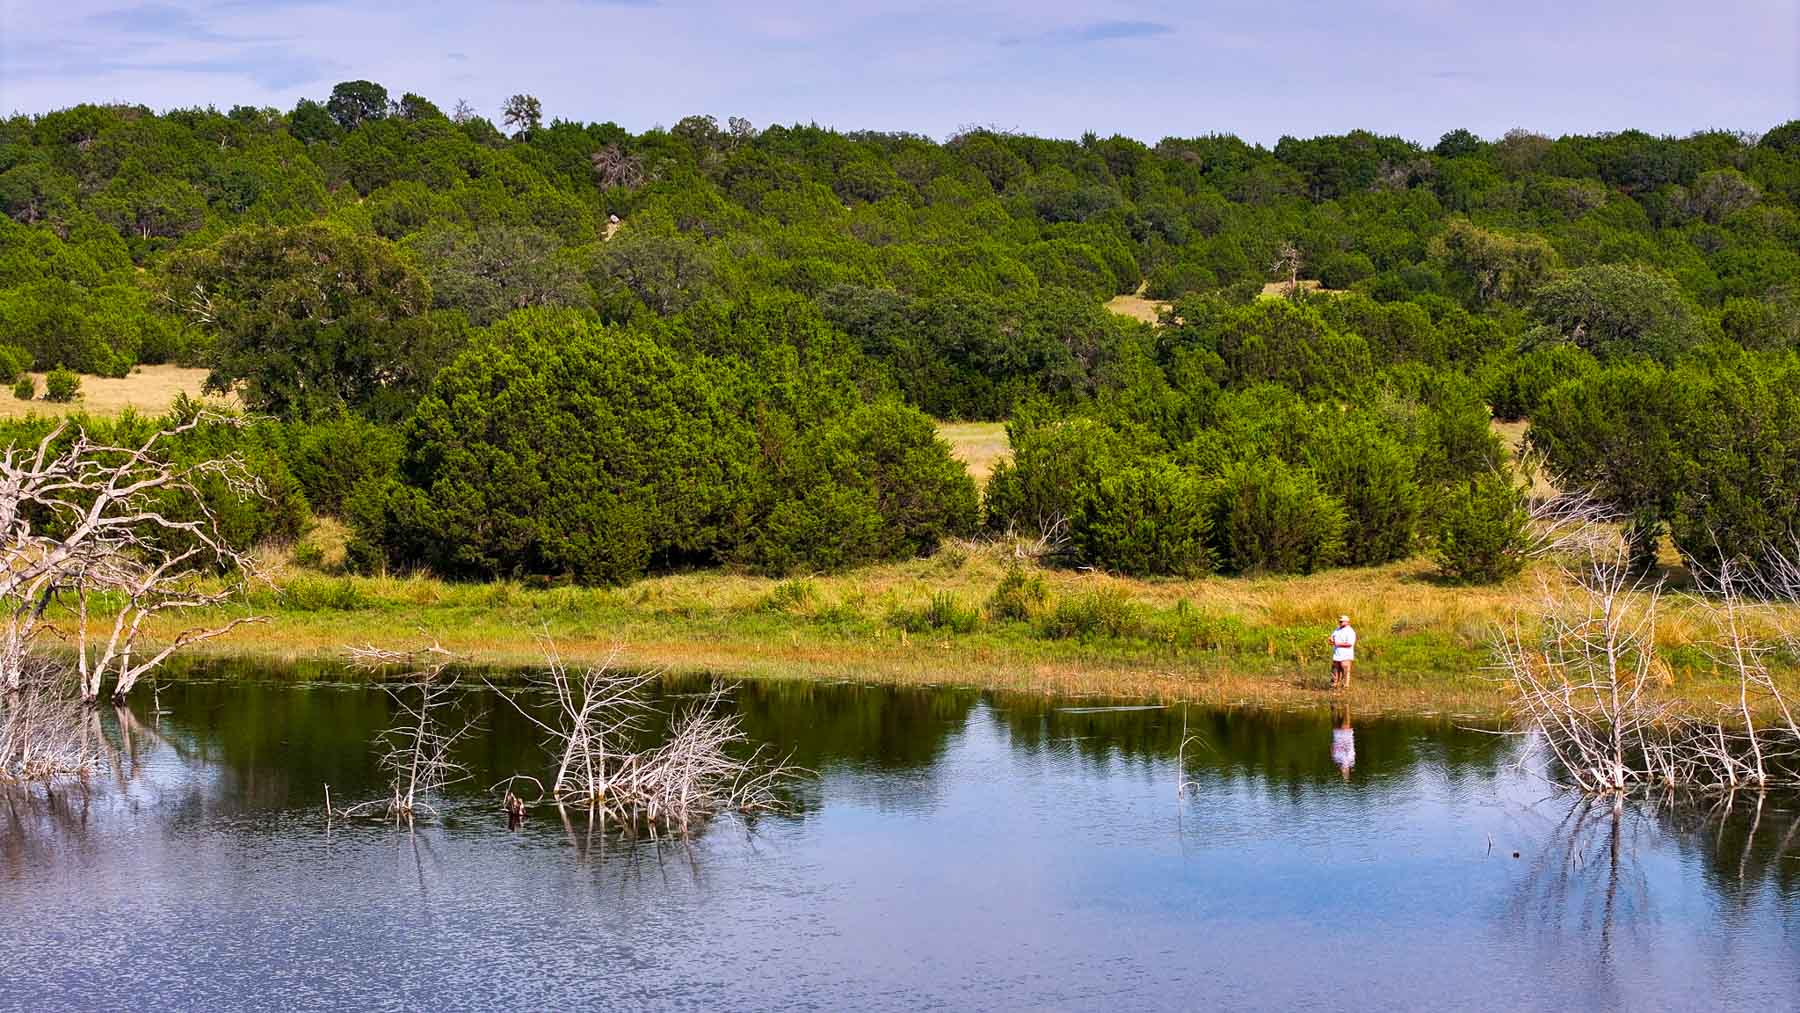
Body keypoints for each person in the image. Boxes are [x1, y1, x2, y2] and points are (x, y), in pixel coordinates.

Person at [1327, 614, 1356, 690]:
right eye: (1339, 621)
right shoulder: (1337, 629)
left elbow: (1349, 644)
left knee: (1345, 671)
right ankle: (1334, 686)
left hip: (1346, 655)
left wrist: (1337, 644)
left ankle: (1345, 687)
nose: (1340, 622)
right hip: (1336, 655)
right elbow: (1332, 637)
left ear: (1347, 622)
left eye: (1341, 621)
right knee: (1335, 671)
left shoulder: (1350, 631)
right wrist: (1330, 640)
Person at [1330, 702, 1355, 780]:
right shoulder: (1349, 761)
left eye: (1343, 772)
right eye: (1345, 771)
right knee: (1345, 709)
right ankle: (1343, 701)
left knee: (1335, 711)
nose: (1343, 770)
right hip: (1344, 734)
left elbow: (1331, 749)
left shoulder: (1338, 760)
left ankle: (1336, 701)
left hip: (1340, 735)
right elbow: (1331, 748)